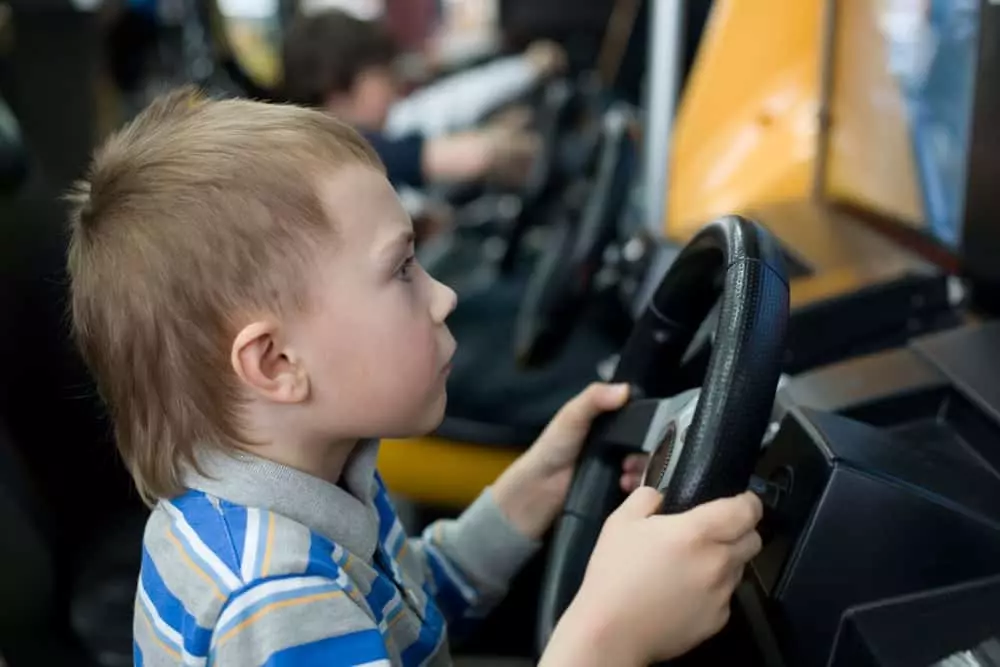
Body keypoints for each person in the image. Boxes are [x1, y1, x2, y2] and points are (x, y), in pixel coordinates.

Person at [66, 87, 763, 666]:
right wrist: (609, 639)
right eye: (402, 269)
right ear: (277, 363)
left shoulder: (319, 485)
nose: (444, 296)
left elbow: (409, 611)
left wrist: (536, 485)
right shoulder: (276, 600)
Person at [280, 9, 564, 190]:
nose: (394, 86)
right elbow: (472, 156)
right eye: (383, 75)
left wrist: (526, 70)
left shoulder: (369, 133)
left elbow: (443, 106)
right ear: (338, 90)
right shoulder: (340, 152)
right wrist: (496, 140)